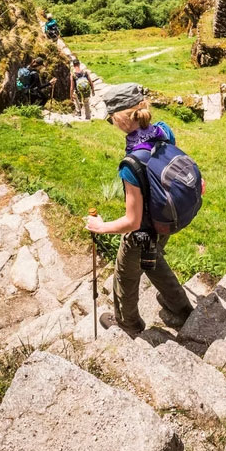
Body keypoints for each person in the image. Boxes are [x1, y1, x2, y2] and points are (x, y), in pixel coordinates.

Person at [85, 83, 196, 338]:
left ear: (121, 119)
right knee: (154, 259)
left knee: (125, 274)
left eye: (111, 119)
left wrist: (100, 227)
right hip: (165, 217)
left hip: (143, 230)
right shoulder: (164, 131)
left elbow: (132, 222)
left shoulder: (131, 164)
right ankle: (180, 308)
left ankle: (127, 323)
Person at [70, 56, 94, 120]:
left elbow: (72, 87)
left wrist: (71, 95)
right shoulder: (85, 72)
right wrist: (93, 90)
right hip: (86, 90)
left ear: (73, 65)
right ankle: (88, 117)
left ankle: (79, 112)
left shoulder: (73, 74)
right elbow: (91, 82)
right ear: (79, 64)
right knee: (86, 103)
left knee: (76, 99)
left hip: (78, 92)